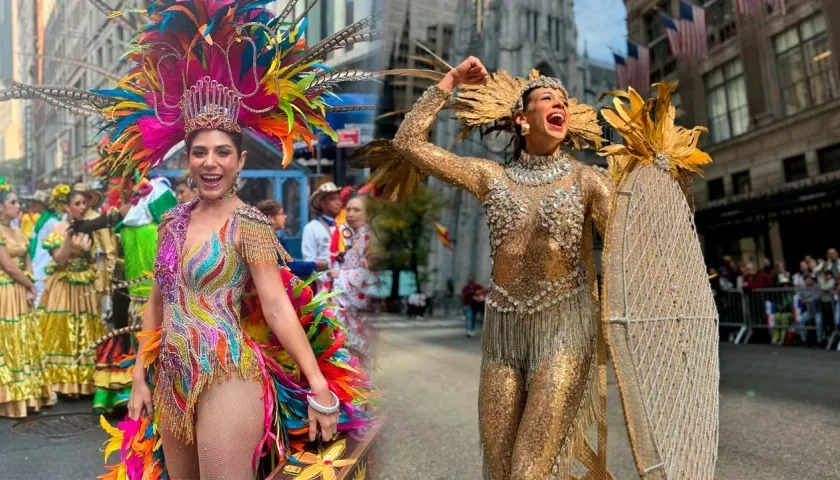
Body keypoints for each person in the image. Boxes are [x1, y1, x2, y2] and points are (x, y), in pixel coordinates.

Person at [0, 2, 390, 478]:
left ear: (240, 161)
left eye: (223, 152)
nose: (211, 162)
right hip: (170, 377)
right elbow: (155, 304)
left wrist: (318, 385)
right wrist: (140, 376)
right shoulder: (171, 223)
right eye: (200, 152)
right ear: (187, 161)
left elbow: (276, 305)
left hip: (228, 371)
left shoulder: (250, 224)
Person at [38, 184, 107, 397]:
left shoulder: (92, 227)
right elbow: (59, 259)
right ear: (67, 207)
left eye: (84, 203)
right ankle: (63, 381)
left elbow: (102, 257)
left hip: (85, 286)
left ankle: (85, 381)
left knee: (85, 329)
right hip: (63, 285)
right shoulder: (57, 228)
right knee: (63, 329)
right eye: (77, 203)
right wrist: (69, 236)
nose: (82, 206)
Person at [0, 178, 54, 417]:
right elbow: (9, 266)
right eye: (13, 202)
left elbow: (27, 257)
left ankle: (30, 395)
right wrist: (29, 283)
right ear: (1, 207)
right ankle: (9, 399)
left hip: (22, 291)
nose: (18, 206)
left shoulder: (18, 229)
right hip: (7, 291)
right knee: (10, 341)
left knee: (26, 339)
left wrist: (31, 285)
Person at [329, 194, 378, 370]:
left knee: (361, 360)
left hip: (360, 311)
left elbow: (371, 274)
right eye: (348, 209)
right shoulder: (357, 237)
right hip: (349, 309)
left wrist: (341, 275)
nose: (350, 213)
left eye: (356, 210)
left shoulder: (369, 237)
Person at [256, 199, 318, 279]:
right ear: (270, 218)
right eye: (281, 213)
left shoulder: (262, 237)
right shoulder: (270, 241)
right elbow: (289, 267)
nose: (285, 217)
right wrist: (315, 265)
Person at [301, 182, 343, 291]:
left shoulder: (346, 226)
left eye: (339, 199)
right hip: (323, 288)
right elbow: (309, 261)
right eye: (332, 199)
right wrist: (328, 275)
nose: (338, 203)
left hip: (347, 287)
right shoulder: (311, 228)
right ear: (322, 203)